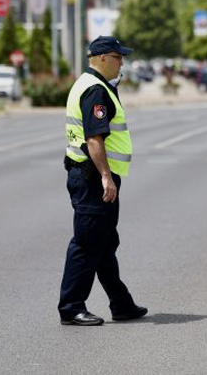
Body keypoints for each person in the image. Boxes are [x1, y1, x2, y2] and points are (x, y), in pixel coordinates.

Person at [58, 36, 148, 326]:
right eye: (117, 56)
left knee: (104, 242)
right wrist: (107, 177)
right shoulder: (95, 90)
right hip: (93, 178)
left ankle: (121, 304)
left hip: (89, 175)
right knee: (87, 243)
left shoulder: (93, 85)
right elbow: (94, 139)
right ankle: (71, 307)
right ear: (101, 58)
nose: (122, 61)